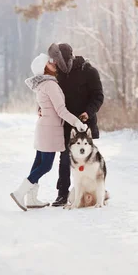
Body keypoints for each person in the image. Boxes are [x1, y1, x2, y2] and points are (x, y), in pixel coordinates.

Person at [10, 53, 88, 211]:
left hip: (44, 127)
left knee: (38, 162)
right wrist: (77, 123)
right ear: (44, 67)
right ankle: (20, 193)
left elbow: (44, 105)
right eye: (50, 63)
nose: (54, 65)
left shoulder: (42, 84)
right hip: (49, 130)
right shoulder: (50, 85)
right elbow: (61, 110)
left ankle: (31, 198)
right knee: (45, 165)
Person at [46, 43, 104, 207]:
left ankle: (93, 193)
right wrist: (41, 108)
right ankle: (62, 194)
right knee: (65, 159)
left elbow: (98, 96)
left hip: (84, 125)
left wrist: (88, 112)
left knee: (87, 161)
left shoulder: (89, 71)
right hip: (65, 123)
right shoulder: (58, 74)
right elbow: (51, 95)